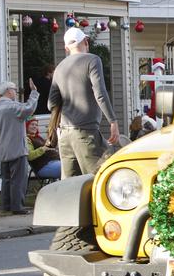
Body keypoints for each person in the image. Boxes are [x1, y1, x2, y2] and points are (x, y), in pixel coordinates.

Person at [48, 28, 120, 178]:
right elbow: (100, 93)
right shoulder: (92, 60)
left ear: (66, 48)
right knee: (98, 179)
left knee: (69, 187)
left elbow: (51, 103)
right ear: (86, 42)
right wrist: (113, 121)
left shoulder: (59, 68)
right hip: (85, 132)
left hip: (65, 135)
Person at [0, 80, 39, 214]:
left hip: (3, 149)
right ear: (8, 91)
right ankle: (18, 207)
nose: (16, 92)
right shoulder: (13, 107)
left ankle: (6, 206)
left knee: (6, 180)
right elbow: (29, 108)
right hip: (17, 147)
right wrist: (34, 93)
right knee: (18, 179)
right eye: (14, 90)